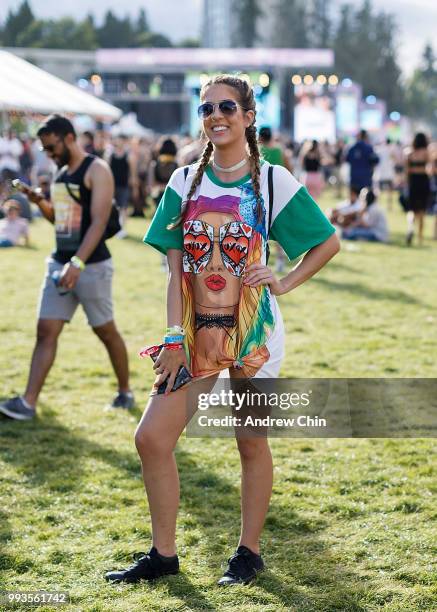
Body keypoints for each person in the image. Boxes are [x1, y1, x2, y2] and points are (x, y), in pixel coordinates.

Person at [105, 75, 339, 586]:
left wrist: (284, 282)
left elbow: (326, 242)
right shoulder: (184, 181)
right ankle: (163, 556)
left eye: (227, 106)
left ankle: (247, 553)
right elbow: (175, 271)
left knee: (249, 440)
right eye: (207, 106)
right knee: (152, 438)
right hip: (196, 333)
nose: (216, 115)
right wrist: (172, 337)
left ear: (248, 117)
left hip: (254, 335)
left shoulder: (273, 181)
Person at [0, 115, 134, 421]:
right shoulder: (60, 173)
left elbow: (99, 221)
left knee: (105, 331)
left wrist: (79, 262)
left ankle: (125, 390)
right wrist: (39, 202)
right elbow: (61, 222)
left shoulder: (96, 170)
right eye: (45, 149)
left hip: (91, 265)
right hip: (60, 262)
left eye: (51, 146)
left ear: (68, 137)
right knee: (45, 330)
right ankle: (27, 403)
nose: (48, 153)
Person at [109, 136, 139, 238]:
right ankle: (114, 227)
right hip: (112, 185)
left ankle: (121, 229)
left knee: (123, 207)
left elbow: (133, 173)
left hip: (124, 185)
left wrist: (135, 188)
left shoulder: (129, 155)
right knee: (113, 207)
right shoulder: (110, 155)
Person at [405, 132, 431, 246]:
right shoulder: (426, 153)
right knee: (422, 211)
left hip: (413, 182)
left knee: (411, 209)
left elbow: (407, 171)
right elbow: (430, 168)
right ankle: (420, 238)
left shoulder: (409, 153)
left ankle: (410, 227)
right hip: (423, 182)